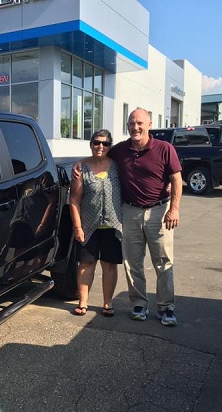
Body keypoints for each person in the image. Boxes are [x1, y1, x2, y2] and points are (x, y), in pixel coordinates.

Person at [109, 108, 182, 326]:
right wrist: (80, 164)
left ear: (149, 124)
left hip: (159, 211)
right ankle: (139, 304)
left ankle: (166, 308)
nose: (135, 127)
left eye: (140, 123)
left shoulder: (164, 148)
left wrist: (174, 208)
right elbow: (100, 157)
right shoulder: (120, 150)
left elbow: (176, 179)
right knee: (132, 262)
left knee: (163, 261)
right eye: (131, 123)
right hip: (130, 211)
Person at [69, 129, 123, 317]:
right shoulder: (81, 168)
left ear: (110, 146)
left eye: (105, 143)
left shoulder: (117, 166)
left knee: (109, 264)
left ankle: (107, 303)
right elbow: (74, 200)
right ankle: (83, 302)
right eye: (96, 142)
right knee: (86, 263)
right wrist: (77, 227)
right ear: (91, 144)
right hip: (88, 226)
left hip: (113, 225)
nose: (100, 146)